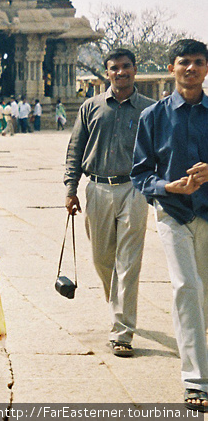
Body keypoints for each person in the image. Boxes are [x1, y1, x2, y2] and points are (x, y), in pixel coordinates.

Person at [132, 38, 208, 412]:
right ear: (171, 68)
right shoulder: (154, 117)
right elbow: (140, 174)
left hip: (207, 212)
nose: (190, 68)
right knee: (186, 287)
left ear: (206, 68)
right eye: (184, 62)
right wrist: (168, 186)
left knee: (203, 293)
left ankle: (199, 352)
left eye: (198, 62)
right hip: (173, 213)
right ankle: (196, 379)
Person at [65, 49, 155, 357]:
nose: (121, 72)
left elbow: (160, 152)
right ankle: (119, 306)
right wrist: (70, 188)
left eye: (126, 67)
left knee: (128, 264)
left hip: (134, 189)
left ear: (134, 69)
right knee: (103, 260)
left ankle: (122, 332)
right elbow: (76, 147)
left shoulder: (149, 110)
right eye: (114, 68)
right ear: (107, 73)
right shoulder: (91, 107)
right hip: (97, 189)